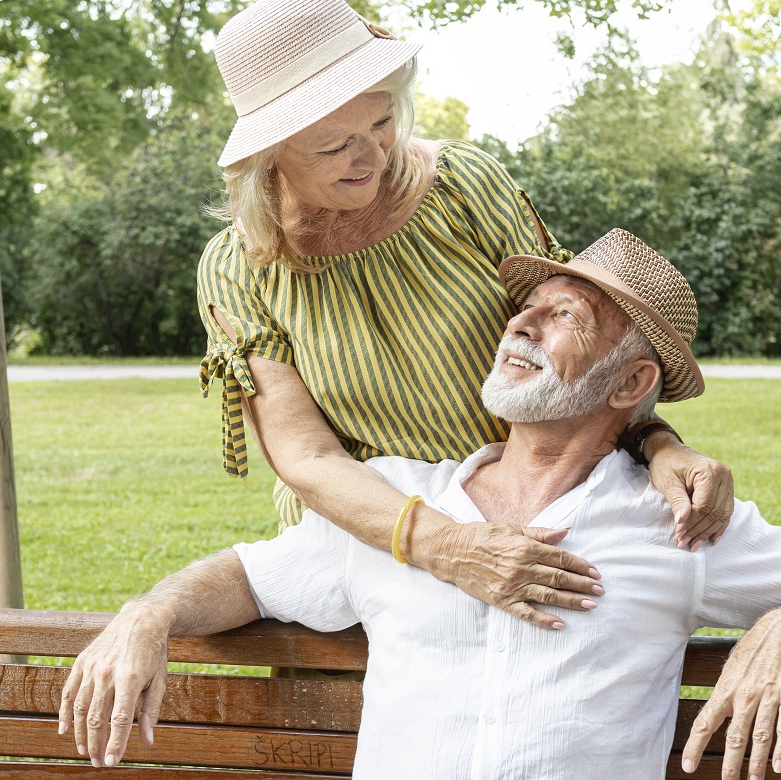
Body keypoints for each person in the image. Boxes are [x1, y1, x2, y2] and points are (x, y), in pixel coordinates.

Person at [62, 229, 781, 780]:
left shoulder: (675, 524)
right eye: (528, 305)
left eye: (564, 315)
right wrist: (150, 611)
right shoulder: (396, 498)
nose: (523, 321)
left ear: (628, 386)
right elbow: (247, 576)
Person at [195, 0, 739, 630]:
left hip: (532, 519)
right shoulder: (238, 269)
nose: (372, 156)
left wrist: (657, 442)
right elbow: (306, 457)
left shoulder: (463, 186)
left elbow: (582, 344)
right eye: (337, 146)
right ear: (270, 155)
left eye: (382, 121)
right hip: (366, 550)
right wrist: (447, 547)